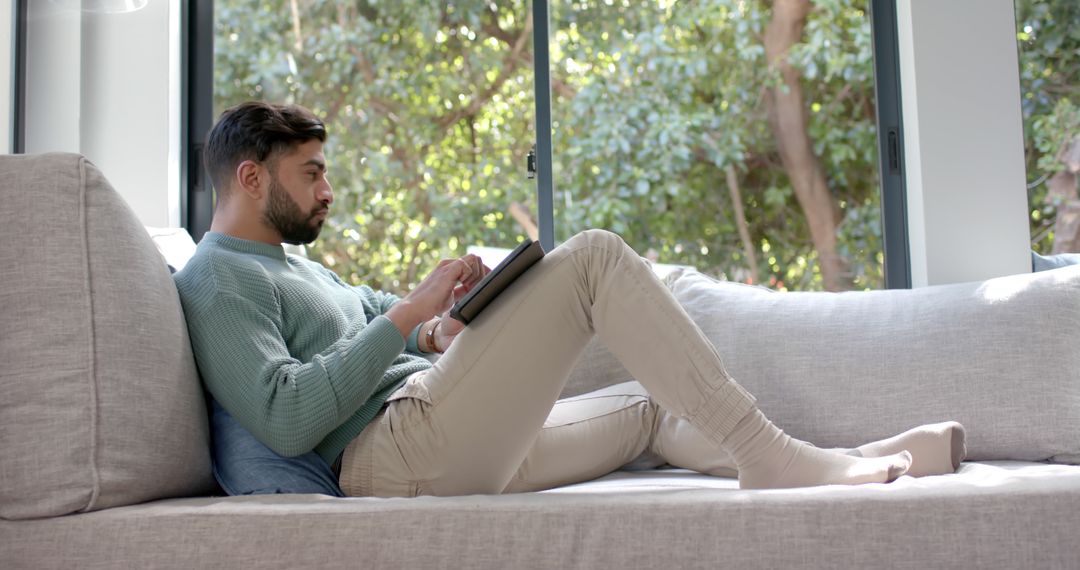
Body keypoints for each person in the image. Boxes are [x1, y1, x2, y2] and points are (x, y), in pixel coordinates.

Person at [174, 101, 966, 498]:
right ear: (252, 177)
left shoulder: (291, 266)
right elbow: (282, 414)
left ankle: (853, 462)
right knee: (591, 260)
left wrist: (442, 324)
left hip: (442, 427)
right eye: (311, 173)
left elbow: (382, 330)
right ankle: (770, 461)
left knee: (649, 405)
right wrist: (404, 317)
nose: (328, 191)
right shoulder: (219, 279)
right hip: (391, 455)